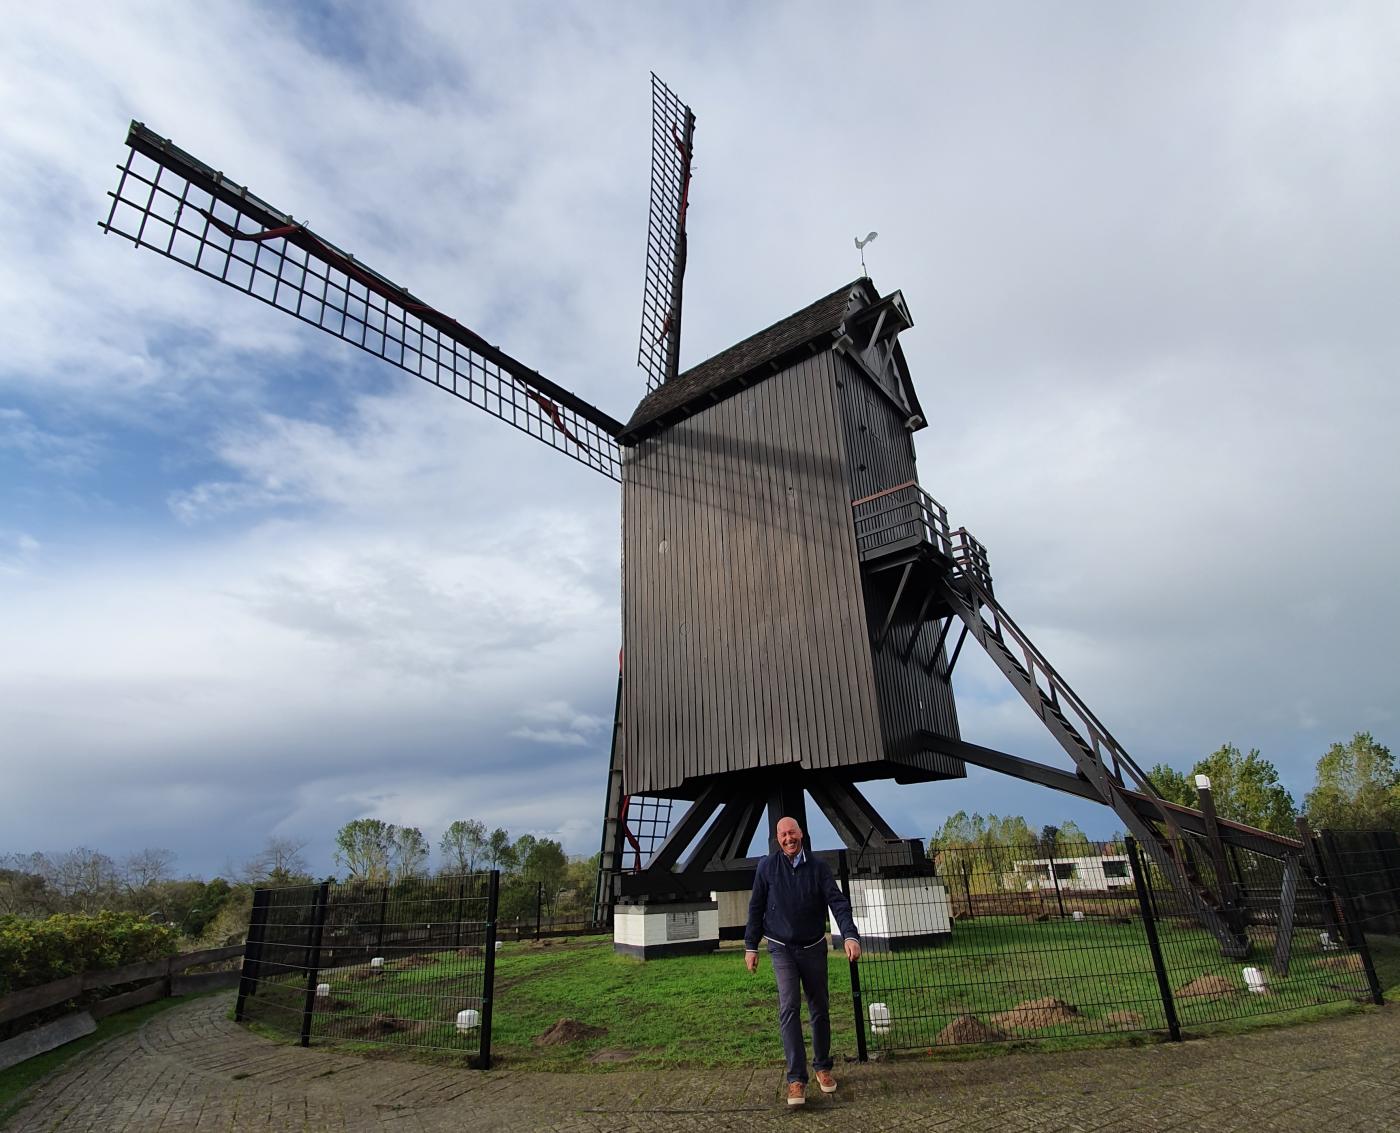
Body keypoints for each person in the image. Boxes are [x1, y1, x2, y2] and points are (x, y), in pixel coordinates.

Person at [744, 816, 862, 1107]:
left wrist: (849, 935)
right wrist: (751, 945)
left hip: (813, 946)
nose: (788, 839)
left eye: (792, 833)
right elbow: (756, 905)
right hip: (781, 946)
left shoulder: (818, 868)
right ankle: (796, 1079)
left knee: (819, 1007)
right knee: (789, 1007)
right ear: (777, 838)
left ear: (802, 834)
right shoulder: (767, 867)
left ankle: (822, 1066)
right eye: (783, 834)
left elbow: (838, 902)